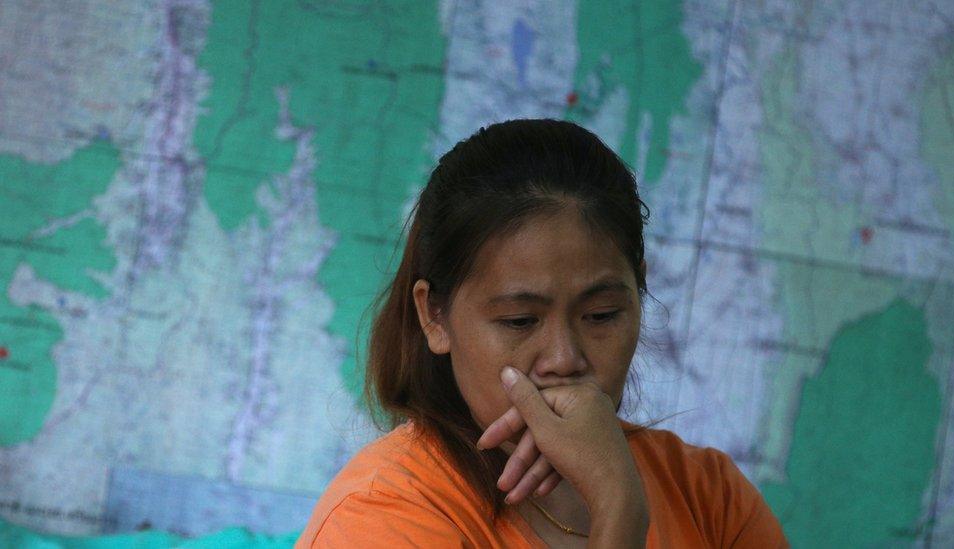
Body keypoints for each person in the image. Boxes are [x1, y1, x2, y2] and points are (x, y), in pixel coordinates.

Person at [296, 119, 788, 548]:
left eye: (601, 314)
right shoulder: (382, 511)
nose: (564, 358)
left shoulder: (709, 494)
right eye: (519, 321)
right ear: (435, 317)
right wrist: (619, 508)